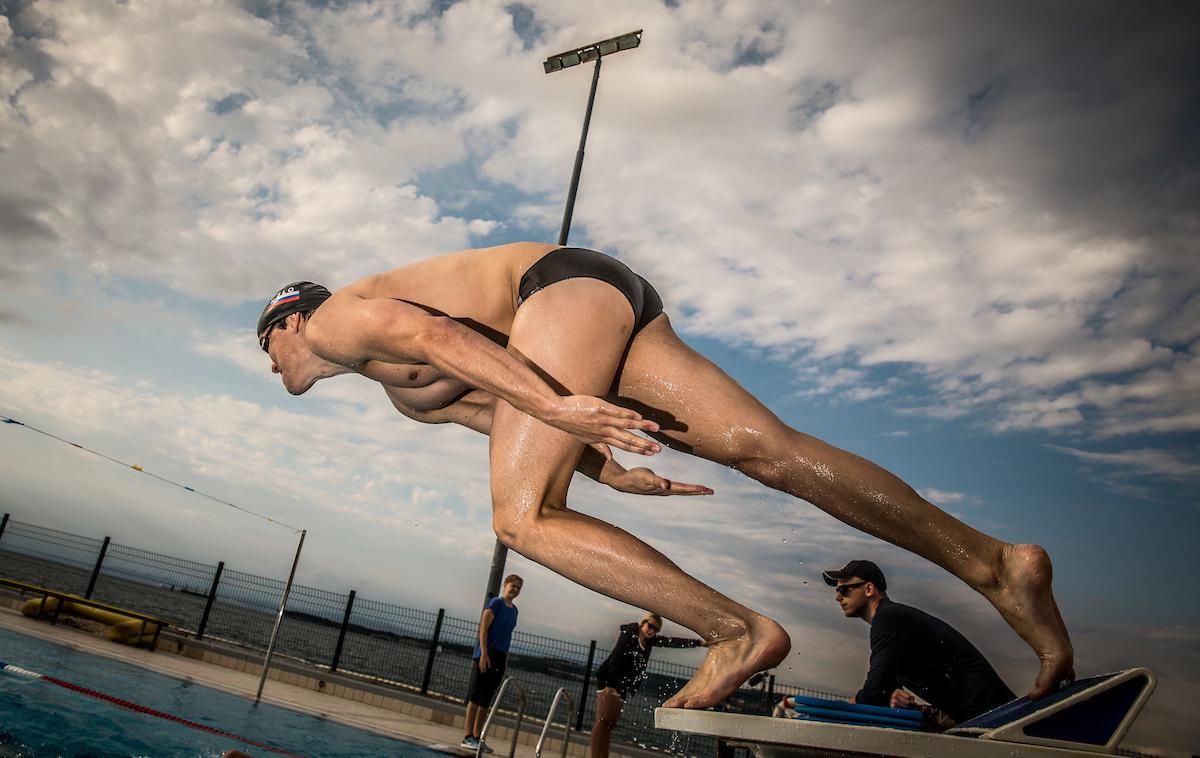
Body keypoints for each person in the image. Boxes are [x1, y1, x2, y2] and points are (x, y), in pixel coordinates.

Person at [257, 242, 1074, 707]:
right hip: (598, 294)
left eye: (268, 345)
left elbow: (435, 336)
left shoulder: (333, 321)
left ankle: (738, 632)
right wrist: (605, 467)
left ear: (290, 318)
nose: (273, 364)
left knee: (520, 518)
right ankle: (994, 562)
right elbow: (502, 415)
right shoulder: (408, 402)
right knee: (768, 448)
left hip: (552, 295)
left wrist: (561, 408)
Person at [824, 560, 1015, 726]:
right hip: (985, 717)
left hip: (996, 719)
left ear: (868, 589)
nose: (837, 596)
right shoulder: (892, 619)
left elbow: (876, 690)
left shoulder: (887, 618)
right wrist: (893, 694)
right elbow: (886, 685)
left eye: (844, 589)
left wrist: (854, 703)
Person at [590, 613, 706, 758]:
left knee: (608, 726)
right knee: (602, 723)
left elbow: (671, 642)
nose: (651, 631)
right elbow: (616, 657)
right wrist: (611, 685)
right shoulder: (629, 634)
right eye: (650, 626)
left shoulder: (649, 642)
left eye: (656, 629)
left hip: (623, 685)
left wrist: (697, 643)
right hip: (610, 681)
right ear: (643, 623)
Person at [461, 574, 523, 752]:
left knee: (486, 699)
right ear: (506, 585)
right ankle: (467, 736)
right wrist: (483, 653)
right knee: (476, 695)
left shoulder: (514, 610)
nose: (516, 590)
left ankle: (477, 736)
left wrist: (504, 659)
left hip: (500, 657)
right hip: (486, 654)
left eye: (519, 588)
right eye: (513, 586)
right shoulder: (496, 603)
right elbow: (484, 628)